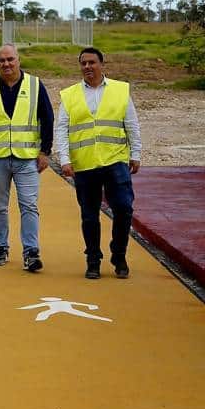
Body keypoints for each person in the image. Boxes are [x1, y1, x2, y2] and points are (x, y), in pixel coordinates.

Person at [56, 47, 141, 280]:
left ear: (102, 64)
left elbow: (131, 124)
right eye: (83, 63)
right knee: (89, 215)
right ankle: (93, 259)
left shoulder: (120, 91)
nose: (87, 67)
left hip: (115, 162)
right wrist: (64, 159)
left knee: (124, 209)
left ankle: (119, 254)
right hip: (84, 165)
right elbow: (62, 129)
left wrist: (136, 154)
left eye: (92, 62)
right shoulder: (70, 95)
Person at [0, 43, 54, 272]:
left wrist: (45, 151)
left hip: (27, 159)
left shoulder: (35, 85)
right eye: (2, 61)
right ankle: (1, 247)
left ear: (18, 60)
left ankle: (31, 252)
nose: (6, 64)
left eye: (10, 59)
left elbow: (47, 118)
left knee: (29, 205)